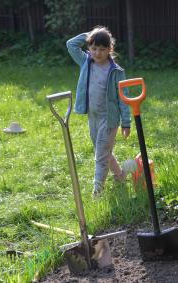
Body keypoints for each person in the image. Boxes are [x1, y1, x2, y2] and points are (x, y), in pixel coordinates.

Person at [66, 26, 131, 196]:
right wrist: (92, 36)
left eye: (102, 49)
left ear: (110, 49)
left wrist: (126, 123)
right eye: (94, 48)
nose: (97, 53)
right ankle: (120, 176)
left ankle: (97, 192)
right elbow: (71, 44)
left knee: (101, 155)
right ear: (89, 48)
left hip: (109, 119)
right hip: (93, 116)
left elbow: (123, 99)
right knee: (102, 151)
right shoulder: (86, 62)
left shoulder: (116, 71)